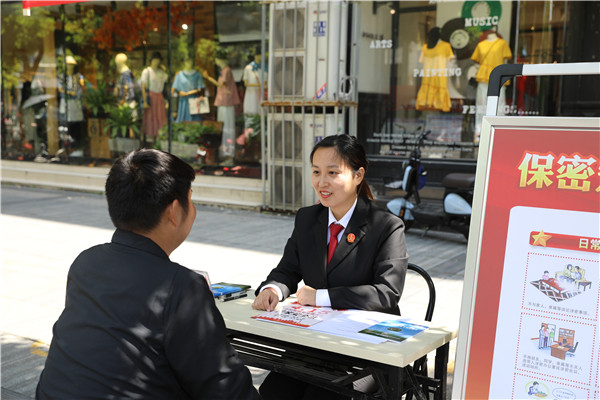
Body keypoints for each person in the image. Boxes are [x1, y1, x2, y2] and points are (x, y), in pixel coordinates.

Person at [36, 149, 260, 399]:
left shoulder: (86, 262)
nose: (194, 208)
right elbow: (226, 390)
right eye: (191, 199)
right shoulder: (182, 287)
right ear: (174, 212)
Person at [252, 134, 408, 400]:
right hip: (313, 345)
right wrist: (273, 289)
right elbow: (288, 269)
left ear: (358, 175)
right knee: (271, 394)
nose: (322, 183)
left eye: (333, 172)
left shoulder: (387, 226)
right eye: (316, 172)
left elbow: (387, 293)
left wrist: (321, 297)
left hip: (364, 350)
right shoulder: (307, 219)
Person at [203, 48, 240, 162]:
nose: (216, 62)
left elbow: (221, 84)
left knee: (226, 126)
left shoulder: (226, 70)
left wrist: (208, 77)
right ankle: (225, 151)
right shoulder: (225, 70)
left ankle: (228, 152)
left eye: (217, 59)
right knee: (225, 126)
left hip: (226, 101)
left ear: (220, 59)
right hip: (223, 101)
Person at [415, 27, 454, 112]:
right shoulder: (425, 47)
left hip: (433, 74)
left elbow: (421, 62)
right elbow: (450, 62)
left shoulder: (444, 46)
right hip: (434, 75)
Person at [141, 51, 168, 145]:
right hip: (151, 97)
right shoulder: (147, 71)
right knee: (150, 119)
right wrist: (145, 101)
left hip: (159, 98)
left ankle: (159, 142)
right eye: (155, 60)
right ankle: (150, 143)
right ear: (151, 60)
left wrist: (165, 100)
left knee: (160, 118)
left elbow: (164, 87)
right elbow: (143, 87)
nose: (156, 62)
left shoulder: (162, 72)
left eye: (158, 60)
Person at [172, 56, 206, 122]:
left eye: (190, 61)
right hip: (183, 101)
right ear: (184, 63)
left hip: (194, 100)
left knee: (194, 121)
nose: (189, 63)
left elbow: (200, 89)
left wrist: (187, 93)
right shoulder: (179, 75)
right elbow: (175, 90)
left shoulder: (197, 74)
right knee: (183, 120)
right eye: (187, 61)